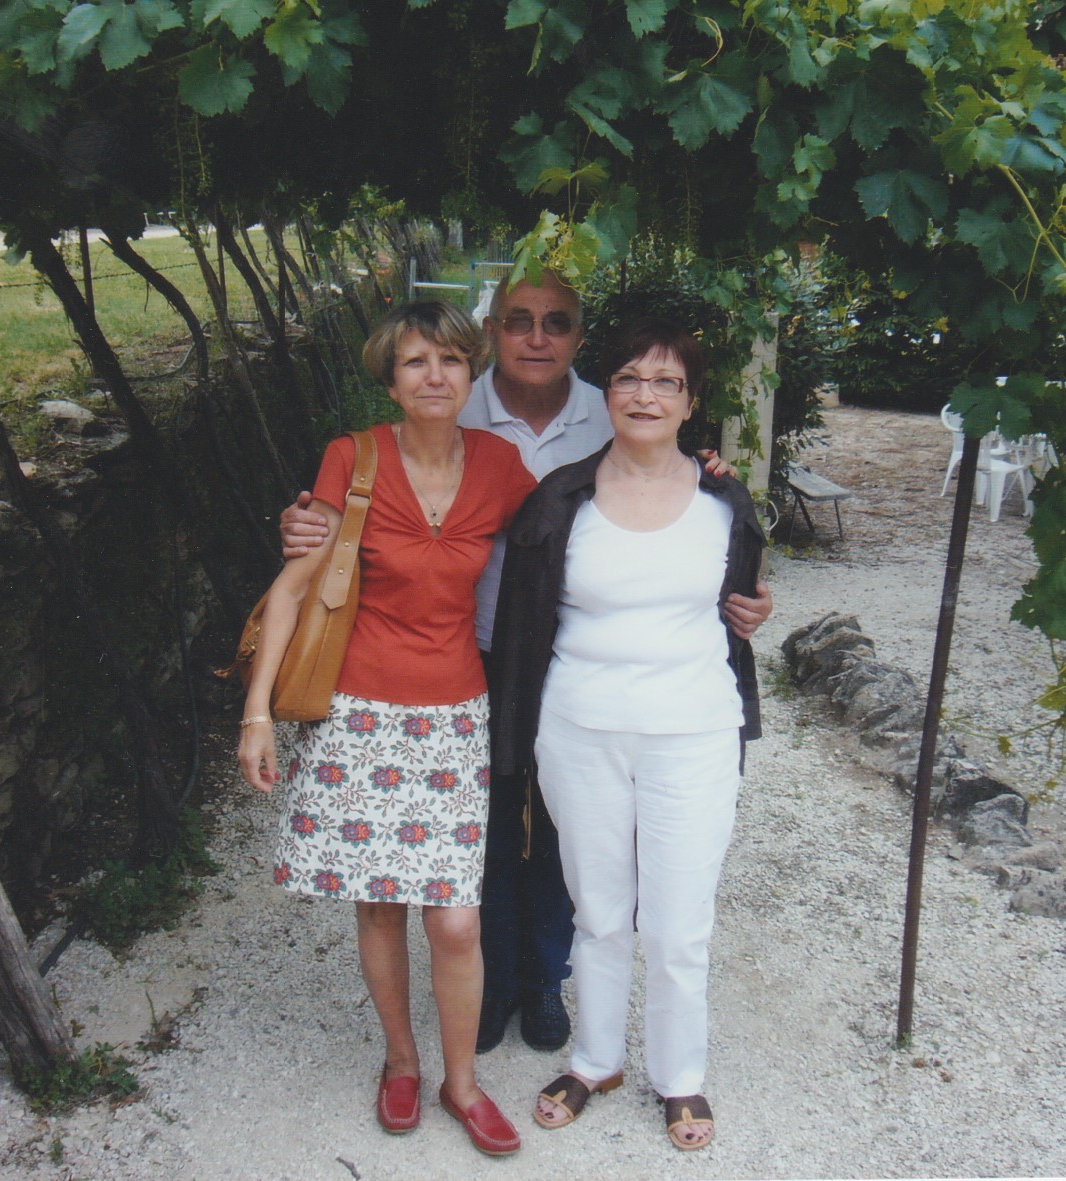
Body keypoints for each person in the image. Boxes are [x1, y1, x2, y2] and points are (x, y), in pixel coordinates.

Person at [279, 271, 773, 1058]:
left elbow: (669, 509)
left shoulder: (612, 410)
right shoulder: (450, 398)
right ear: (491, 333)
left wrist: (731, 554)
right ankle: (492, 981)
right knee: (478, 830)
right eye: (518, 321)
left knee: (556, 832)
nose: (536, 338)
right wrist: (309, 524)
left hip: (561, 653)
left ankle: (544, 976)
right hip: (469, 649)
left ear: (578, 337)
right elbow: (360, 506)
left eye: (556, 323)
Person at [238, 301, 532, 1157]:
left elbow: (579, 525)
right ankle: (400, 1059)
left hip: (454, 717)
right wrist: (257, 714)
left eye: (450, 360)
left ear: (472, 373)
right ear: (391, 380)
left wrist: (695, 474)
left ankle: (461, 1082)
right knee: (379, 902)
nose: (434, 376)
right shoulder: (353, 456)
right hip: (360, 715)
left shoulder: (500, 465)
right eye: (414, 362)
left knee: (456, 920)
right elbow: (292, 589)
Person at [488, 317, 764, 1153]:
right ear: (604, 393)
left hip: (693, 730)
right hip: (580, 729)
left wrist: (757, 608)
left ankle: (679, 1075)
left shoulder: (724, 500)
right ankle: (595, 1060)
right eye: (629, 379)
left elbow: (742, 600)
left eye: (665, 381)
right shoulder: (561, 497)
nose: (646, 395)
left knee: (679, 921)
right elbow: (522, 622)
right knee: (599, 909)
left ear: (690, 401)